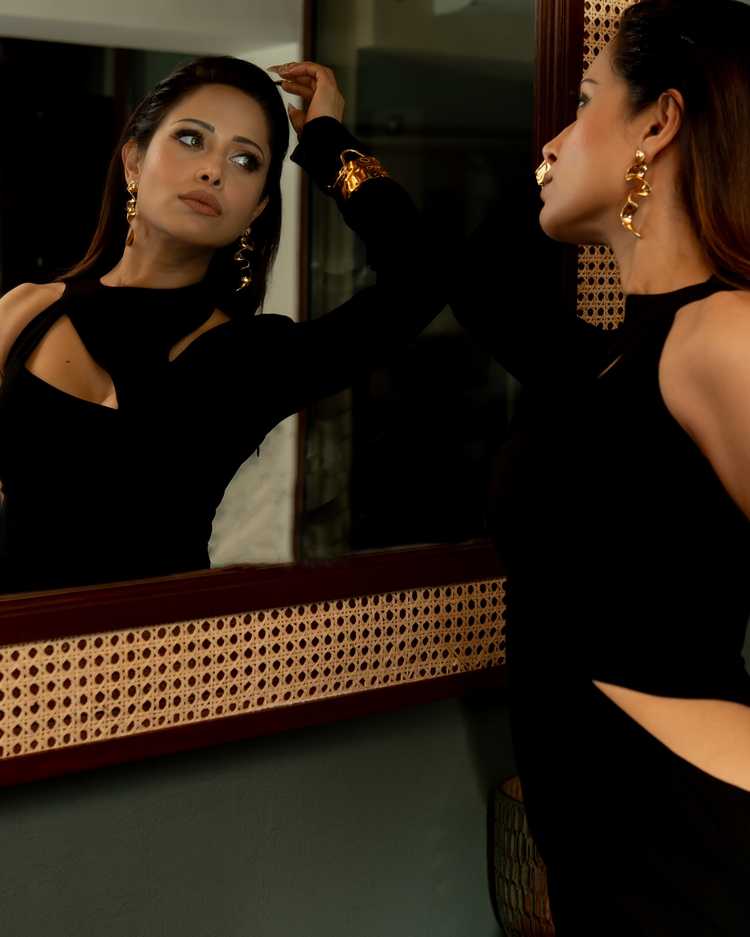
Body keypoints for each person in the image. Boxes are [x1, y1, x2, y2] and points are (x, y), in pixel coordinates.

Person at [450, 0, 750, 931]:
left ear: (659, 123)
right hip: (612, 856)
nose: (549, 144)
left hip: (690, 854)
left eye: (582, 101)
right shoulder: (618, 358)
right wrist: (336, 149)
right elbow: (476, 278)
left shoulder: (724, 334)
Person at [0, 56, 444, 594]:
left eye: (244, 160)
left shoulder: (254, 357)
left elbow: (420, 279)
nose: (213, 170)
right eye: (192, 139)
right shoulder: (26, 310)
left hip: (168, 644)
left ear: (255, 210)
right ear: (134, 162)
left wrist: (329, 142)